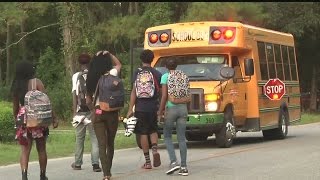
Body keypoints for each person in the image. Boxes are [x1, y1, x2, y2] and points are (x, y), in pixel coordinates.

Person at [11, 61, 59, 180]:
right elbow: (46, 101)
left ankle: (24, 176)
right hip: (38, 118)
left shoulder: (16, 85)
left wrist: (16, 119)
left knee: (25, 150)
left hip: (23, 118)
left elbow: (15, 107)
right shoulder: (36, 82)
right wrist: (53, 117)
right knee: (41, 148)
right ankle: (42, 175)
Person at [86, 50, 121, 180]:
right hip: (112, 112)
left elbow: (88, 100)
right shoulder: (112, 73)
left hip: (98, 112)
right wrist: (110, 55)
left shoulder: (91, 76)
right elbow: (118, 64)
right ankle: (109, 168)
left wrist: (93, 110)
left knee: (101, 143)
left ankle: (106, 174)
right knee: (110, 143)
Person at [126, 49, 162, 169]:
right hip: (153, 107)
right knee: (153, 130)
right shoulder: (157, 73)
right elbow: (161, 92)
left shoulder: (137, 72)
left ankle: (147, 162)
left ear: (141, 59)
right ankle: (155, 150)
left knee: (143, 133)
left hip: (140, 108)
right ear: (152, 59)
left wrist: (130, 108)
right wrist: (161, 109)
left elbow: (134, 92)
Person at [71, 53, 101, 172]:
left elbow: (74, 95)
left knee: (79, 138)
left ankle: (78, 163)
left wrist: (74, 112)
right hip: (93, 110)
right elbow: (98, 94)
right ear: (90, 62)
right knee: (95, 138)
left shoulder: (76, 76)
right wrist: (98, 111)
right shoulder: (96, 75)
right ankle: (95, 164)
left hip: (80, 112)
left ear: (79, 63)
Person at [158, 59, 189, 176]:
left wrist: (160, 111)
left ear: (166, 66)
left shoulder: (165, 76)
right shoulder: (183, 75)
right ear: (176, 66)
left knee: (167, 135)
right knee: (181, 138)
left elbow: (164, 95)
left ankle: (174, 162)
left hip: (171, 108)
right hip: (183, 108)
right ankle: (184, 167)